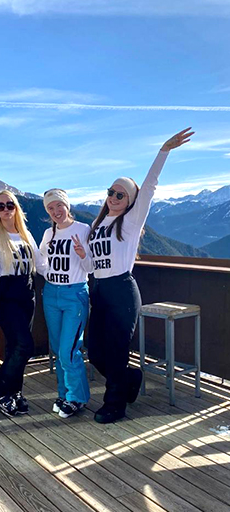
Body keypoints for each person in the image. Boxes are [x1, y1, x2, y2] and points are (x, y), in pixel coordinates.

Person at [87, 127, 194, 424]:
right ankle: (131, 378)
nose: (113, 197)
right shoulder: (98, 224)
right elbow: (91, 264)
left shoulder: (132, 221)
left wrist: (163, 151)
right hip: (99, 290)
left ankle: (115, 405)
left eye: (120, 194)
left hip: (122, 290)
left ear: (130, 200)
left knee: (117, 350)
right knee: (95, 349)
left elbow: (149, 188)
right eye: (111, 192)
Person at [0, 191, 45, 416]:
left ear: (17, 208)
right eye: (0, 206)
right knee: (25, 345)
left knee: (14, 347)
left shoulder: (26, 233)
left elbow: (40, 264)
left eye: (10, 205)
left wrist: (67, 278)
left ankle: (14, 392)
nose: (6, 209)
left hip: (27, 293)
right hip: (6, 294)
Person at [40, 189, 93, 418]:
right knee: (57, 346)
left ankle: (77, 398)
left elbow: (91, 267)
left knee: (68, 349)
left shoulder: (83, 230)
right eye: (50, 208)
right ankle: (64, 394)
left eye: (59, 206)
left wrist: (82, 254)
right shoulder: (48, 233)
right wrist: (47, 273)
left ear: (67, 206)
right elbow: (39, 259)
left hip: (75, 293)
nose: (55, 211)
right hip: (51, 294)